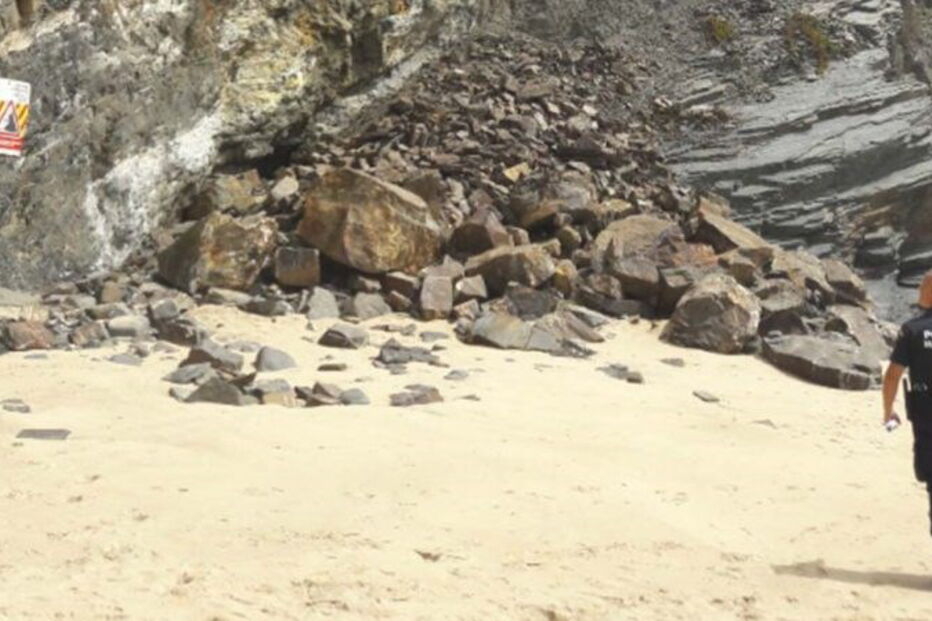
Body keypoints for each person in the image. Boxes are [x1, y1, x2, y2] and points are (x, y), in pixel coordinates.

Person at [883, 271, 932, 535]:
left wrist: (888, 410)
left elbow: (893, 375)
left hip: (927, 413)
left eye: (923, 287)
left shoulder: (913, 330)